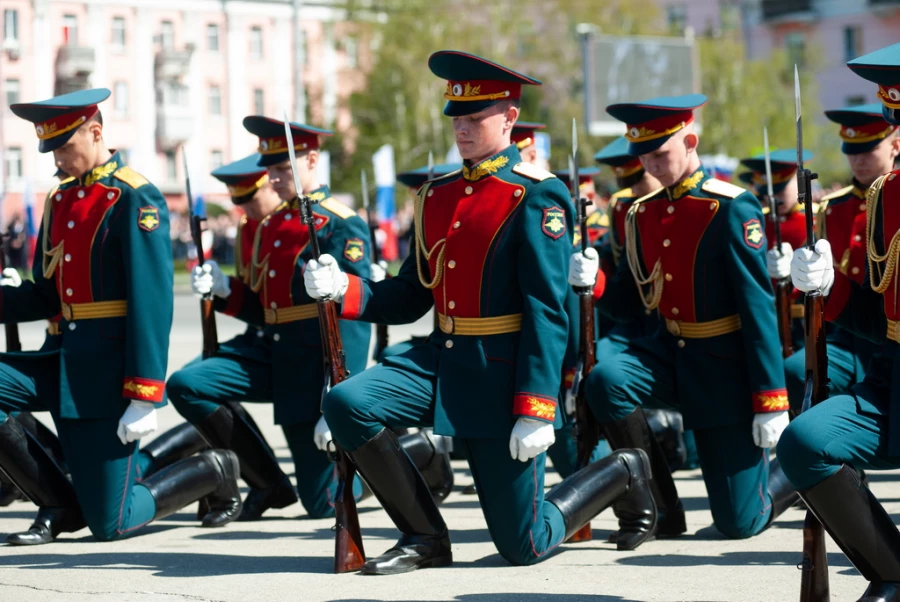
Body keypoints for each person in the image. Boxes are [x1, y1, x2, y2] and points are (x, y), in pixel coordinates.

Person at [304, 50, 657, 574]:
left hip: (502, 371)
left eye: (475, 119)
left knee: (523, 545)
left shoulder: (536, 196)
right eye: (457, 118)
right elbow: (408, 296)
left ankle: (622, 469)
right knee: (349, 402)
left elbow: (547, 309)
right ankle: (424, 536)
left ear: (509, 119)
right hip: (442, 359)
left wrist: (536, 406)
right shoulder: (436, 196)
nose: (462, 130)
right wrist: (344, 290)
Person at [166, 121, 452, 524]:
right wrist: (224, 289)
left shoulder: (339, 222)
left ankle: (420, 450)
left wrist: (337, 388)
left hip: (312, 366)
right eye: (272, 170)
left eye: (284, 169)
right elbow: (264, 309)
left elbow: (351, 315)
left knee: (323, 502)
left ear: (312, 161)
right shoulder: (269, 226)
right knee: (188, 384)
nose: (275, 178)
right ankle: (265, 482)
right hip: (273, 355)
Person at [0, 88, 241, 544]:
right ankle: (59, 504)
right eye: (51, 150)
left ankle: (214, 468)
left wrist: (144, 393)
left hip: (107, 374)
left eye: (65, 148)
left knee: (112, 523)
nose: (58, 160)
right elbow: (45, 297)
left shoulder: (133, 196)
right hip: (61, 357)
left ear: (95, 132)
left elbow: (152, 303)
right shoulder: (60, 200)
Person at [570, 93, 797, 540]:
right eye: (643, 157)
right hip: (671, 355)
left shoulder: (731, 207)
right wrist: (591, 283)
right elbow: (627, 302)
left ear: (690, 140)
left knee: (739, 522)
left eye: (659, 155)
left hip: (724, 367)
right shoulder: (641, 214)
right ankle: (660, 507)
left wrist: (771, 400)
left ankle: (804, 466)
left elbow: (757, 309)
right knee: (606, 381)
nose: (650, 167)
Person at [779, 41, 900, 601]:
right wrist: (830, 287)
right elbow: (881, 321)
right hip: (891, 379)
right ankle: (894, 571)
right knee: (805, 441)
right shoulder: (887, 197)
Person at [782, 104, 896, 412]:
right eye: (852, 151)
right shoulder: (830, 207)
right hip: (845, 331)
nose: (858, 160)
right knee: (797, 373)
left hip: (887, 332)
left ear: (895, 145)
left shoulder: (891, 201)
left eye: (869, 150)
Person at [738, 149, 814, 352]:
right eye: (769, 193)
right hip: (766, 315)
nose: (775, 198)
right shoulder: (758, 221)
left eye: (781, 190)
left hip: (805, 317)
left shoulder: (814, 218)